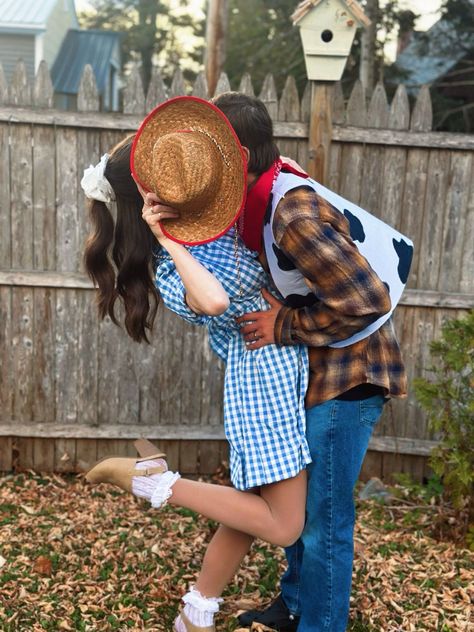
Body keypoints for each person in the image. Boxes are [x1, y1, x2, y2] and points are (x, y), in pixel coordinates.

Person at [80, 96, 313, 632]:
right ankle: (152, 479)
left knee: (250, 509)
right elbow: (214, 303)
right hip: (263, 381)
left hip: (286, 364)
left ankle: (196, 611)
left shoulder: (215, 221)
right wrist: (164, 237)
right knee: (283, 525)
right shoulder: (169, 263)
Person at [184, 92, 407, 632]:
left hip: (350, 376)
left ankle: (319, 624)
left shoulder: (291, 212)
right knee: (305, 510)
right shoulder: (265, 198)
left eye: (210, 155)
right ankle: (296, 606)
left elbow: (368, 300)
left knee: (324, 520)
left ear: (237, 156)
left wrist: (283, 325)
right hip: (320, 371)